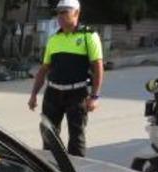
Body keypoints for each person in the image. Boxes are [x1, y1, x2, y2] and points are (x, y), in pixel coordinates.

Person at [28, 0, 104, 157]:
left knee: (76, 137)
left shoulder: (88, 36)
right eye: (58, 12)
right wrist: (34, 94)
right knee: (48, 135)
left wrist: (94, 96)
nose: (60, 16)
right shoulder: (54, 39)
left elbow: (97, 67)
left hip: (77, 94)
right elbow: (44, 69)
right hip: (52, 94)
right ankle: (52, 170)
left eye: (65, 12)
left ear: (76, 13)